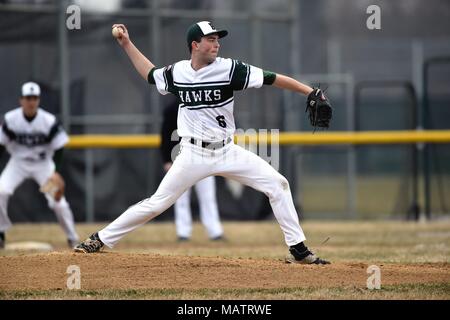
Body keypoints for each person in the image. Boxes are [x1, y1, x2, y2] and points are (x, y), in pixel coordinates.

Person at [75, 21, 330, 264]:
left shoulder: (230, 68)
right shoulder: (178, 72)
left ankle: (298, 248)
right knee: (157, 204)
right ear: (195, 45)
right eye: (210, 39)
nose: (216, 44)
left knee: (278, 184)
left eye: (217, 39)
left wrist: (309, 92)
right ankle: (100, 239)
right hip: (193, 153)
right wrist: (126, 43)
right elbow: (151, 75)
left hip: (227, 151)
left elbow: (272, 78)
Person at [0, 82, 79, 249]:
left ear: (38, 100)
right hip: (18, 164)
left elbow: (59, 147)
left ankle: (73, 239)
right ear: (21, 100)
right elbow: (1, 144)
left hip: (43, 167)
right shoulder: (11, 119)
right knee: (1, 191)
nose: (31, 102)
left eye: (34, 98)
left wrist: (56, 172)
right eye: (28, 98)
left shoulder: (48, 121)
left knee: (58, 203)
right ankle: (0, 232)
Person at [160, 98, 224, 241]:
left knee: (208, 196)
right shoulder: (172, 108)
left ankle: (215, 232)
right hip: (180, 158)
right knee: (180, 197)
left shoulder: (204, 106)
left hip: (204, 157)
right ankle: (183, 232)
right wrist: (166, 160)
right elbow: (165, 135)